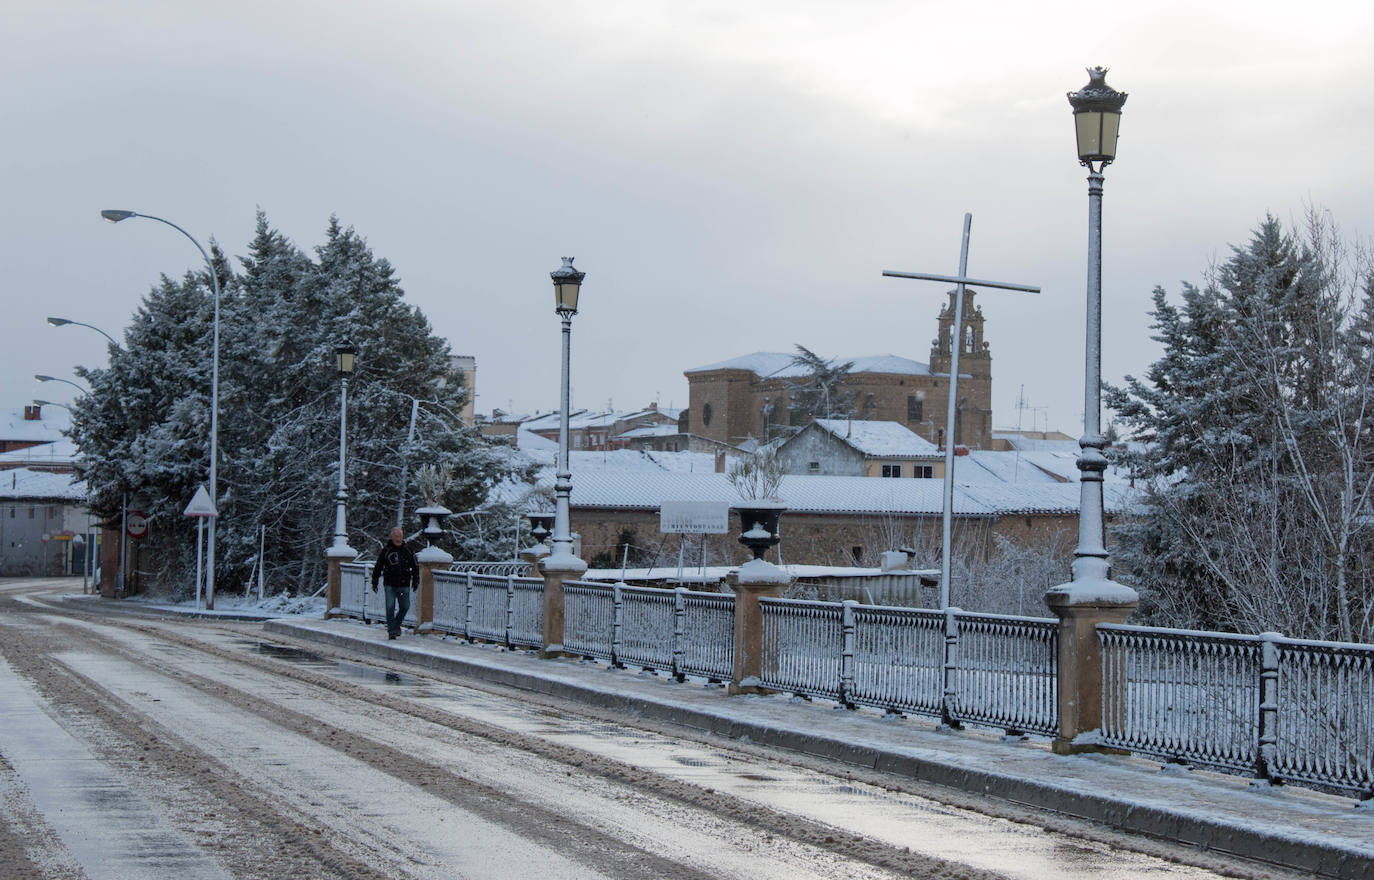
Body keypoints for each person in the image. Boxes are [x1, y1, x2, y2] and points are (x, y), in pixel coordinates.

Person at [371, 527, 419, 639]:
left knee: (405, 606)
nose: (398, 539)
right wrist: (375, 581)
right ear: (392, 537)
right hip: (390, 584)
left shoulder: (408, 550)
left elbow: (415, 566)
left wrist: (416, 580)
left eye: (400, 536)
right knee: (390, 607)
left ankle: (396, 625)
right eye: (396, 536)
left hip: (404, 584)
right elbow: (378, 566)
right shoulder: (387, 550)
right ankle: (391, 631)